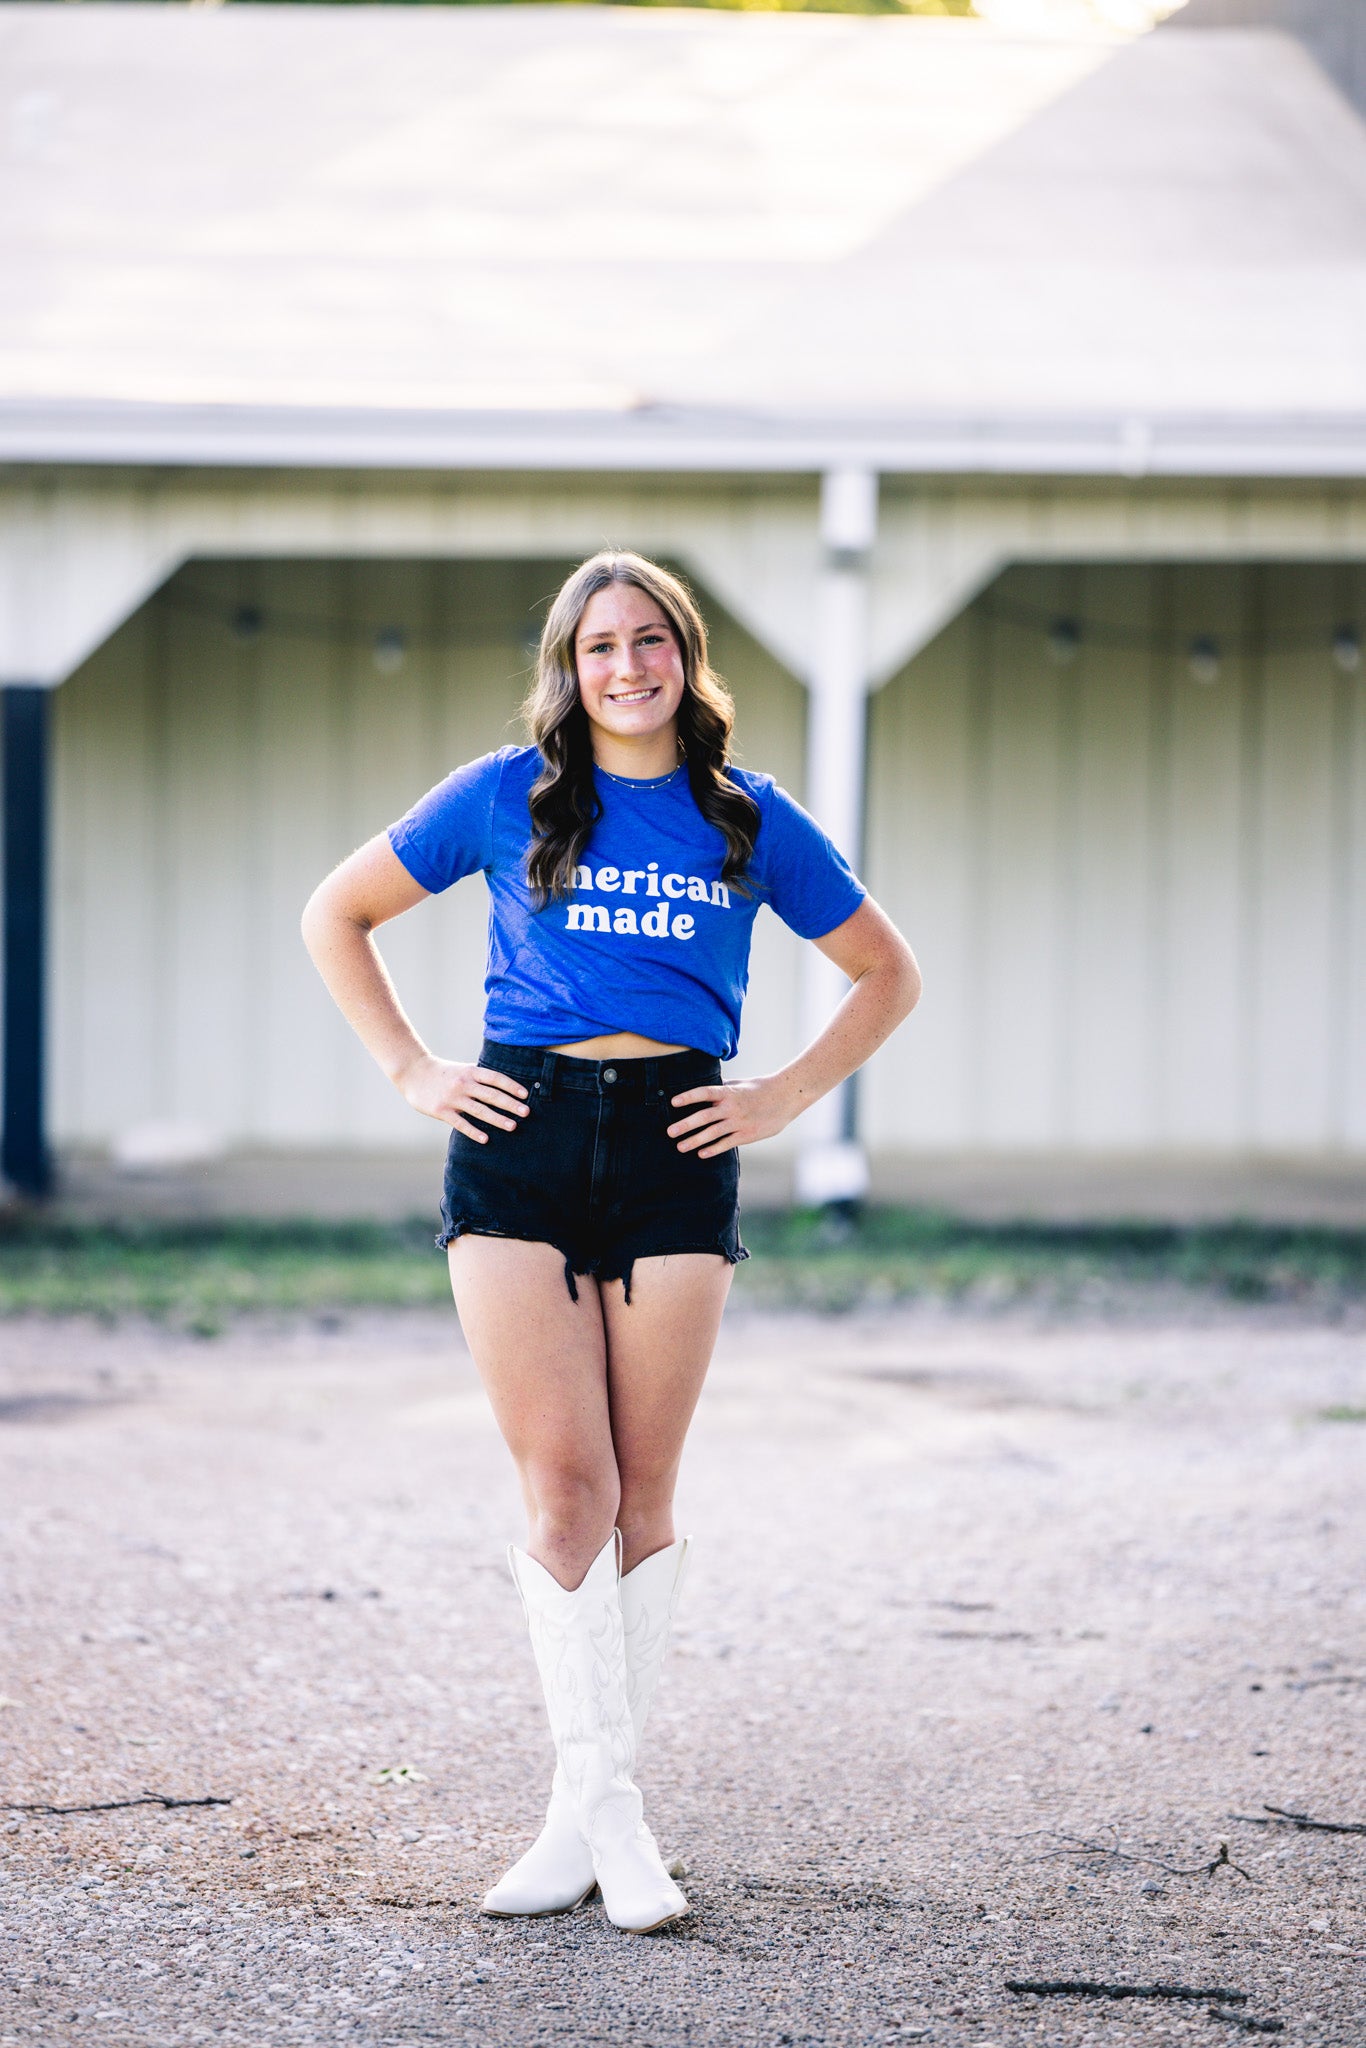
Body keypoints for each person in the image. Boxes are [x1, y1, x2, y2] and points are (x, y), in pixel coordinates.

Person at [301, 551, 921, 1936]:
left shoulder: (747, 819)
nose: (625, 667)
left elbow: (889, 970)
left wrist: (782, 1098)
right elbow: (332, 913)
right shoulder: (500, 796)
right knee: (565, 1487)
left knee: (645, 1492)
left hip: (673, 1147)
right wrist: (413, 1070)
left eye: (649, 641)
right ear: (567, 670)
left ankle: (601, 1814)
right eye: (597, 649)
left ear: (685, 660)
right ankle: (600, 1812)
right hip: (517, 1136)